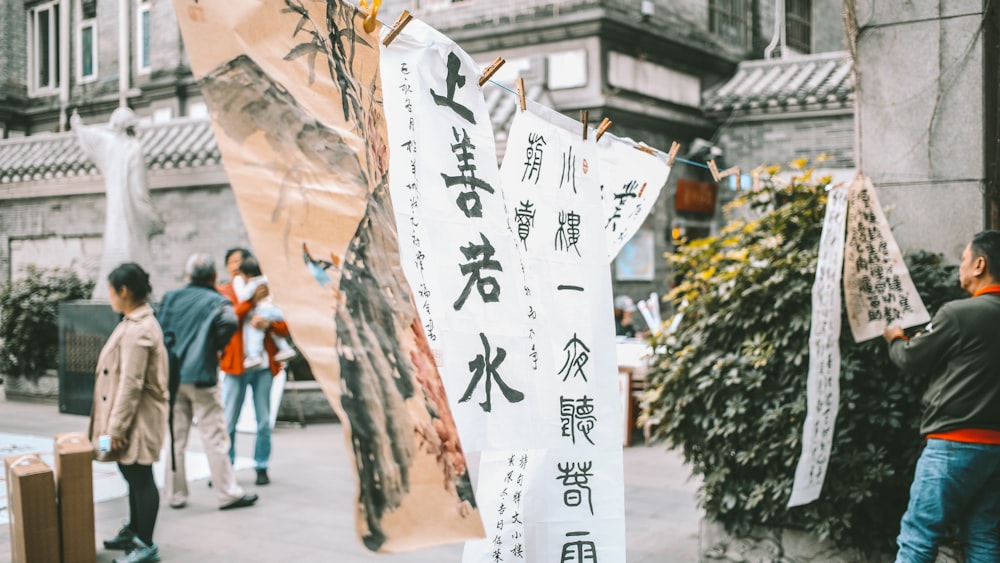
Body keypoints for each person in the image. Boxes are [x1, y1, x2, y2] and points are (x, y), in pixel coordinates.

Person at [883, 230, 1000, 562]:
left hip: (953, 444)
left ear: (980, 264)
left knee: (919, 536)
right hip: (996, 447)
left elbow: (910, 358)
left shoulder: (959, 314)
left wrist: (895, 338)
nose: (959, 266)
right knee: (983, 536)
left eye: (963, 259)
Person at [157, 253, 258, 511]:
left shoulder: (170, 298)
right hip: (202, 376)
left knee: (176, 437)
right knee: (214, 436)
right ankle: (227, 493)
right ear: (214, 276)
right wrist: (216, 346)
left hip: (173, 375)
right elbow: (230, 322)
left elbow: (159, 328)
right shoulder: (217, 301)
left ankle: (175, 494)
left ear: (188, 275)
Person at [89, 263, 168, 563]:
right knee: (130, 470)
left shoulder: (139, 330)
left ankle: (145, 545)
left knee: (139, 475)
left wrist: (115, 431)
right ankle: (134, 531)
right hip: (129, 420)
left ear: (124, 291)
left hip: (135, 421)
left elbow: (131, 385)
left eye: (111, 290)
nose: (110, 296)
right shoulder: (134, 322)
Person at [70, 108, 164, 300]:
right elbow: (139, 190)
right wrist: (151, 216)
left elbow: (92, 136)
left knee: (116, 244)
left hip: (116, 210)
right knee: (133, 248)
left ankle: (112, 291)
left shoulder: (110, 145)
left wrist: (78, 126)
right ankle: (136, 292)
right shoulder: (133, 149)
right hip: (132, 212)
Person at [218, 248, 293, 486]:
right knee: (229, 421)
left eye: (241, 261)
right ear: (227, 267)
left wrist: (268, 325)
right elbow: (227, 320)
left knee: (263, 421)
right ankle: (226, 468)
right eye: (232, 262)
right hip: (235, 367)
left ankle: (261, 465)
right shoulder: (224, 292)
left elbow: (285, 325)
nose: (237, 265)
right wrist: (250, 301)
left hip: (262, 366)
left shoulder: (265, 288)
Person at [234, 256, 296, 368]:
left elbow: (243, 296)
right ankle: (286, 349)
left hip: (263, 310)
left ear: (249, 275)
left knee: (255, 330)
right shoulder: (266, 279)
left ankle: (254, 355)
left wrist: (251, 299)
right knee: (273, 332)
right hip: (275, 309)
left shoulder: (252, 283)